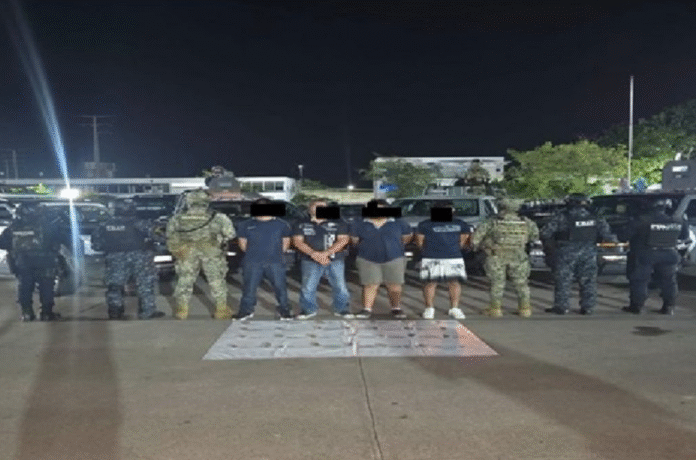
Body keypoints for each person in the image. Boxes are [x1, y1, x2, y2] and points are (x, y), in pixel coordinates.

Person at [539, 194, 616, 315]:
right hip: (589, 252)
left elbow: (545, 233)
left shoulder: (562, 216)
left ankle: (562, 306)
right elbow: (608, 235)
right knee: (588, 280)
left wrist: (551, 245)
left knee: (563, 280)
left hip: (566, 252)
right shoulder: (595, 216)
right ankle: (588, 307)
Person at [165, 189, 235, 320]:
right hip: (211, 252)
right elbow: (230, 234)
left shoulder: (177, 218)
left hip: (186, 252)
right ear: (206, 202)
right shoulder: (218, 217)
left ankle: (182, 310)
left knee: (184, 280)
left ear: (189, 202)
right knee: (216, 280)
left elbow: (169, 234)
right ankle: (221, 310)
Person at [92, 199, 165, 320]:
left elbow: (96, 245)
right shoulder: (141, 224)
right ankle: (147, 311)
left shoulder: (104, 225)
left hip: (115, 258)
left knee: (115, 286)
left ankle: (115, 312)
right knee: (145, 284)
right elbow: (160, 237)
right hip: (140, 257)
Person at [470, 198, 539, 318]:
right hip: (518, 255)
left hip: (496, 255)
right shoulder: (526, 222)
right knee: (521, 283)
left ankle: (495, 309)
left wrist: (480, 247)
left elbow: (475, 239)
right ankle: (525, 309)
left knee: (497, 283)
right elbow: (534, 236)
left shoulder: (492, 222)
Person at [622, 199, 690, 315]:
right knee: (669, 281)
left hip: (646, 254)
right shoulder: (678, 220)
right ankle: (669, 307)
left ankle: (637, 306)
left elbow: (624, 236)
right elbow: (684, 236)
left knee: (640, 281)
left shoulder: (642, 220)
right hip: (669, 254)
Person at [0, 203, 64, 321]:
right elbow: (59, 240)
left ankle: (27, 314)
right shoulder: (48, 225)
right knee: (46, 287)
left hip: (23, 262)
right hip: (45, 262)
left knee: (24, 287)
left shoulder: (14, 227)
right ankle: (46, 314)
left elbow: (2, 243)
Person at [350, 199, 413, 319]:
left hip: (394, 258)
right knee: (370, 285)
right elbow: (354, 240)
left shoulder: (399, 222)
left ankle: (396, 308)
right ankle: (367, 309)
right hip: (367, 258)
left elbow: (407, 237)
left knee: (394, 285)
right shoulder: (359, 222)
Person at [234, 197, 293, 321]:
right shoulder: (245, 225)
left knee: (280, 288)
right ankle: (246, 311)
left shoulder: (282, 224)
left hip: (275, 262)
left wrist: (275, 254)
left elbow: (286, 242)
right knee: (249, 288)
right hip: (252, 262)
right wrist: (255, 254)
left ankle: (284, 311)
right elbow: (242, 243)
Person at [292, 200, 353, 319]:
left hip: (335, 260)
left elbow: (343, 240)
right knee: (308, 287)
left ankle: (341, 309)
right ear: (309, 209)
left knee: (340, 287)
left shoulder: (338, 222)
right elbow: (297, 241)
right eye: (316, 206)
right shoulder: (301, 223)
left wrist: (326, 254)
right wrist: (314, 254)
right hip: (309, 260)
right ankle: (308, 310)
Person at [415, 202, 471, 319]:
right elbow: (419, 241)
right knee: (430, 283)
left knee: (454, 282)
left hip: (454, 257)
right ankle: (429, 309)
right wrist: (427, 252)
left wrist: (454, 249)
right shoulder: (425, 224)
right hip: (431, 257)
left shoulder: (460, 223)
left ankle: (454, 308)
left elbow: (464, 238)